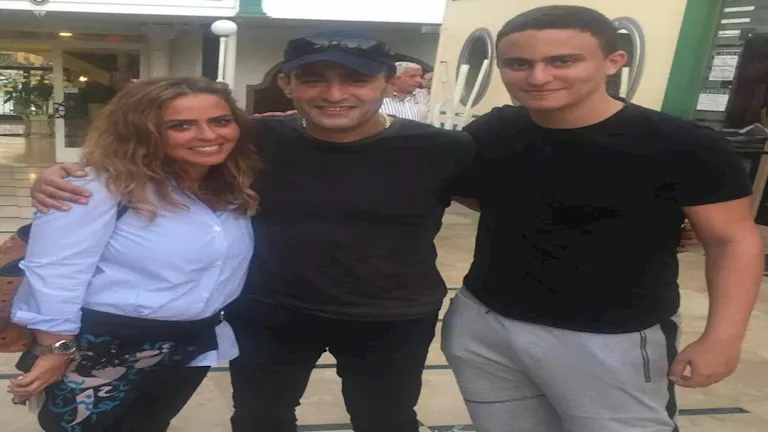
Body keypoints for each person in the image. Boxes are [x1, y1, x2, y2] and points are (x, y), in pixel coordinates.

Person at [25, 31, 476, 432]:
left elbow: (499, 204)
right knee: (260, 418)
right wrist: (65, 175)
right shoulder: (254, 137)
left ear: (387, 82)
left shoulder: (444, 148)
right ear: (287, 84)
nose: (334, 93)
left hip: (391, 318)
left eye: (356, 79)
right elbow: (147, 148)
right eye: (313, 79)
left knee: (386, 419)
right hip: (269, 314)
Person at [441, 6, 764, 432]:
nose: (538, 77)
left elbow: (732, 240)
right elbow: (469, 191)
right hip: (487, 322)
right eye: (519, 63)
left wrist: (723, 338)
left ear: (613, 62)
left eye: (562, 61)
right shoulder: (495, 130)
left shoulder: (683, 146)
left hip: (612, 336)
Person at [8, 77, 259, 432]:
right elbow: (55, 271)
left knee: (149, 425)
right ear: (143, 132)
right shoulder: (95, 189)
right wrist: (55, 349)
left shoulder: (232, 186)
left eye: (220, 121)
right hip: (104, 347)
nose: (208, 135)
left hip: (190, 343)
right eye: (181, 125)